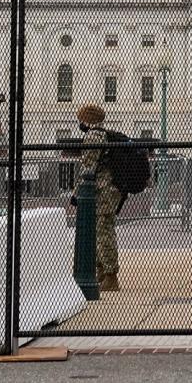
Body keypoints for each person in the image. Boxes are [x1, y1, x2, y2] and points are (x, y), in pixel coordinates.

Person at [77, 103, 121, 291]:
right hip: (109, 189)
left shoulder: (93, 136)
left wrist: (77, 193)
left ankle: (110, 276)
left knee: (103, 233)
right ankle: (102, 271)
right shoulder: (104, 134)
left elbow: (88, 168)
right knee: (102, 231)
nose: (80, 122)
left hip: (101, 190)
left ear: (88, 120)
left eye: (81, 119)